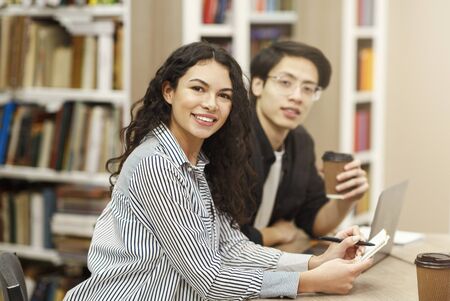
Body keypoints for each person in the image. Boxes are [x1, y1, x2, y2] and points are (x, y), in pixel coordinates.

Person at [63, 42, 372, 300]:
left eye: (224, 95)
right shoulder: (156, 162)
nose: (211, 104)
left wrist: (314, 263)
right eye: (198, 89)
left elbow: (233, 246)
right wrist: (309, 282)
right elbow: (209, 280)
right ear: (169, 92)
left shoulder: (200, 162)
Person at [241, 41, 370, 247]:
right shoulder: (233, 140)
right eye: (285, 83)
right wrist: (274, 233)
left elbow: (314, 220)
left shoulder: (301, 142)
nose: (297, 97)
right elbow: (219, 237)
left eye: (308, 88)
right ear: (257, 84)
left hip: (269, 260)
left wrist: (346, 199)